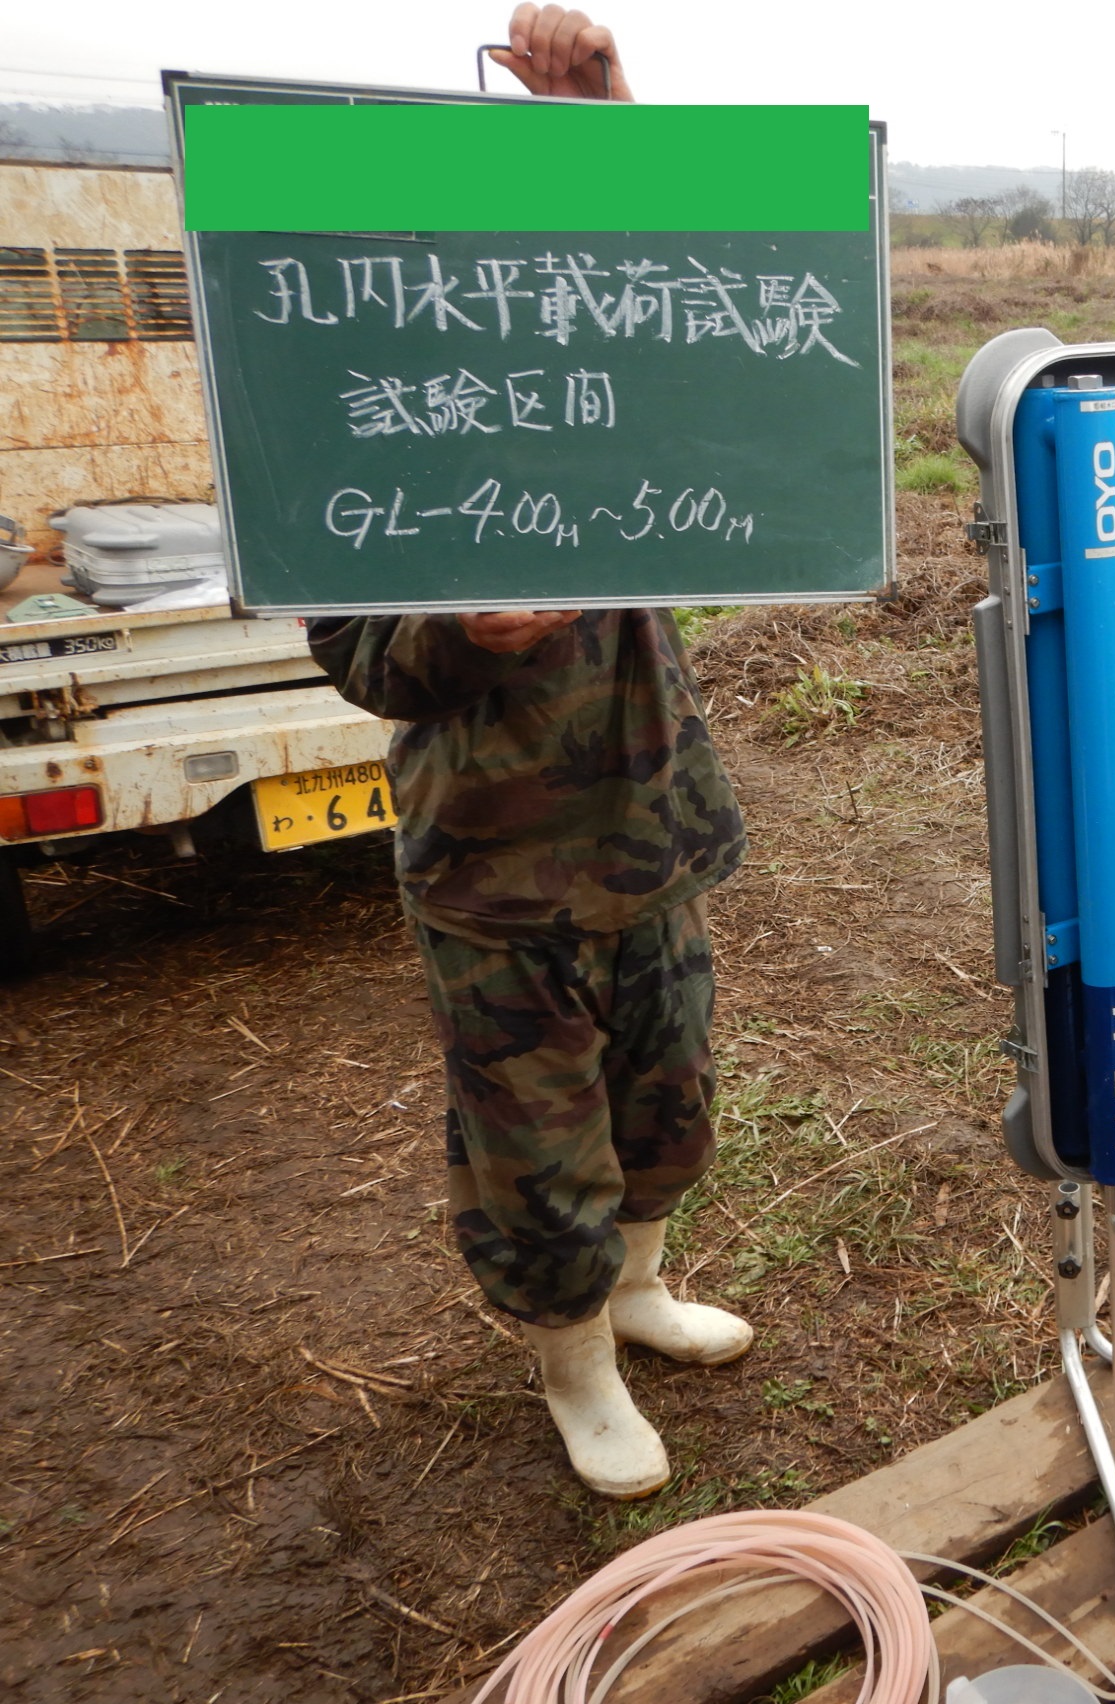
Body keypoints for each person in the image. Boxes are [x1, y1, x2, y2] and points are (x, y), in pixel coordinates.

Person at [309, 7, 749, 1501]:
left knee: (665, 1099)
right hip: (497, 857)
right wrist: (463, 636)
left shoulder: (606, 386)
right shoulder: (371, 417)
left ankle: (635, 1294)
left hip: (649, 821)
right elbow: (359, 657)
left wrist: (606, 118)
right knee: (533, 1136)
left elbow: (701, 300)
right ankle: (576, 1368)